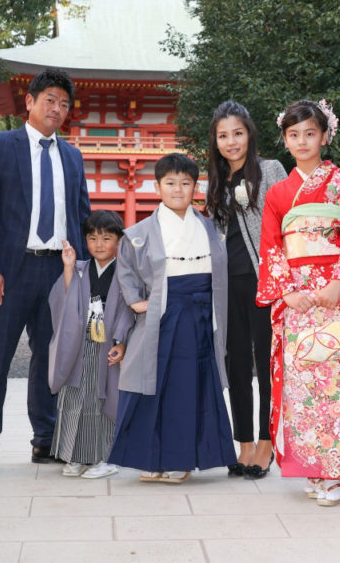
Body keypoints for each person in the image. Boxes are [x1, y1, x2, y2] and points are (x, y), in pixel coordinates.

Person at [0, 68, 91, 481]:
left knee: (50, 358)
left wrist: (85, 272)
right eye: (49, 100)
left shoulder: (72, 155)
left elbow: (82, 216)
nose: (57, 109)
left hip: (57, 269)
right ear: (30, 103)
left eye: (64, 104)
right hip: (10, 270)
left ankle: (45, 439)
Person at [256, 99, 340, 507]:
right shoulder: (278, 193)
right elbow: (271, 246)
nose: (303, 141)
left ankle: (337, 470)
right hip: (297, 298)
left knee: (339, 381)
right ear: (285, 140)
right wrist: (287, 291)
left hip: (337, 296)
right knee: (301, 382)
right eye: (294, 135)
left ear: (325, 136)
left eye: (311, 133)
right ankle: (312, 467)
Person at [107, 153, 237, 484]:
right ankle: (150, 459)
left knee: (186, 389)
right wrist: (136, 300)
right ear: (157, 186)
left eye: (185, 183)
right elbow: (126, 270)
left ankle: (181, 460)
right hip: (162, 314)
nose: (178, 189)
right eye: (170, 183)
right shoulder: (138, 232)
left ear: (196, 186)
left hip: (200, 315)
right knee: (151, 387)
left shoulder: (209, 227)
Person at [204, 101, 286, 480]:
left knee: (266, 362)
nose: (231, 142)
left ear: (249, 134)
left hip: (263, 280)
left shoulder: (270, 170)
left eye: (237, 133)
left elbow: (286, 224)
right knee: (235, 362)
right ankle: (244, 444)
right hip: (228, 284)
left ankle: (267, 442)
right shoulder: (216, 180)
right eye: (223, 136)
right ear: (215, 141)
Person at [47, 210, 130, 479]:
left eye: (107, 238)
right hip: (79, 346)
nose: (99, 244)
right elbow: (65, 301)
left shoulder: (125, 272)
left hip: (108, 346)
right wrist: (69, 268)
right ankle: (76, 456)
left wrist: (121, 341)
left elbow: (130, 310)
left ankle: (106, 458)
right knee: (74, 398)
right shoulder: (80, 268)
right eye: (92, 238)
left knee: (101, 400)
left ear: (119, 241)